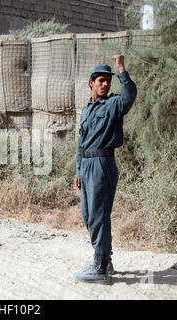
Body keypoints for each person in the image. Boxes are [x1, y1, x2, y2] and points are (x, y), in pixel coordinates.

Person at [73, 55, 137, 285]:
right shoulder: (87, 110)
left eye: (108, 81)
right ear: (91, 82)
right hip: (87, 165)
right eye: (101, 80)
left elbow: (129, 96)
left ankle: (100, 266)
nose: (105, 84)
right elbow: (81, 143)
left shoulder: (113, 104)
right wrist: (78, 170)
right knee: (88, 215)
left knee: (99, 216)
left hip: (102, 164)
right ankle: (105, 260)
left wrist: (122, 69)